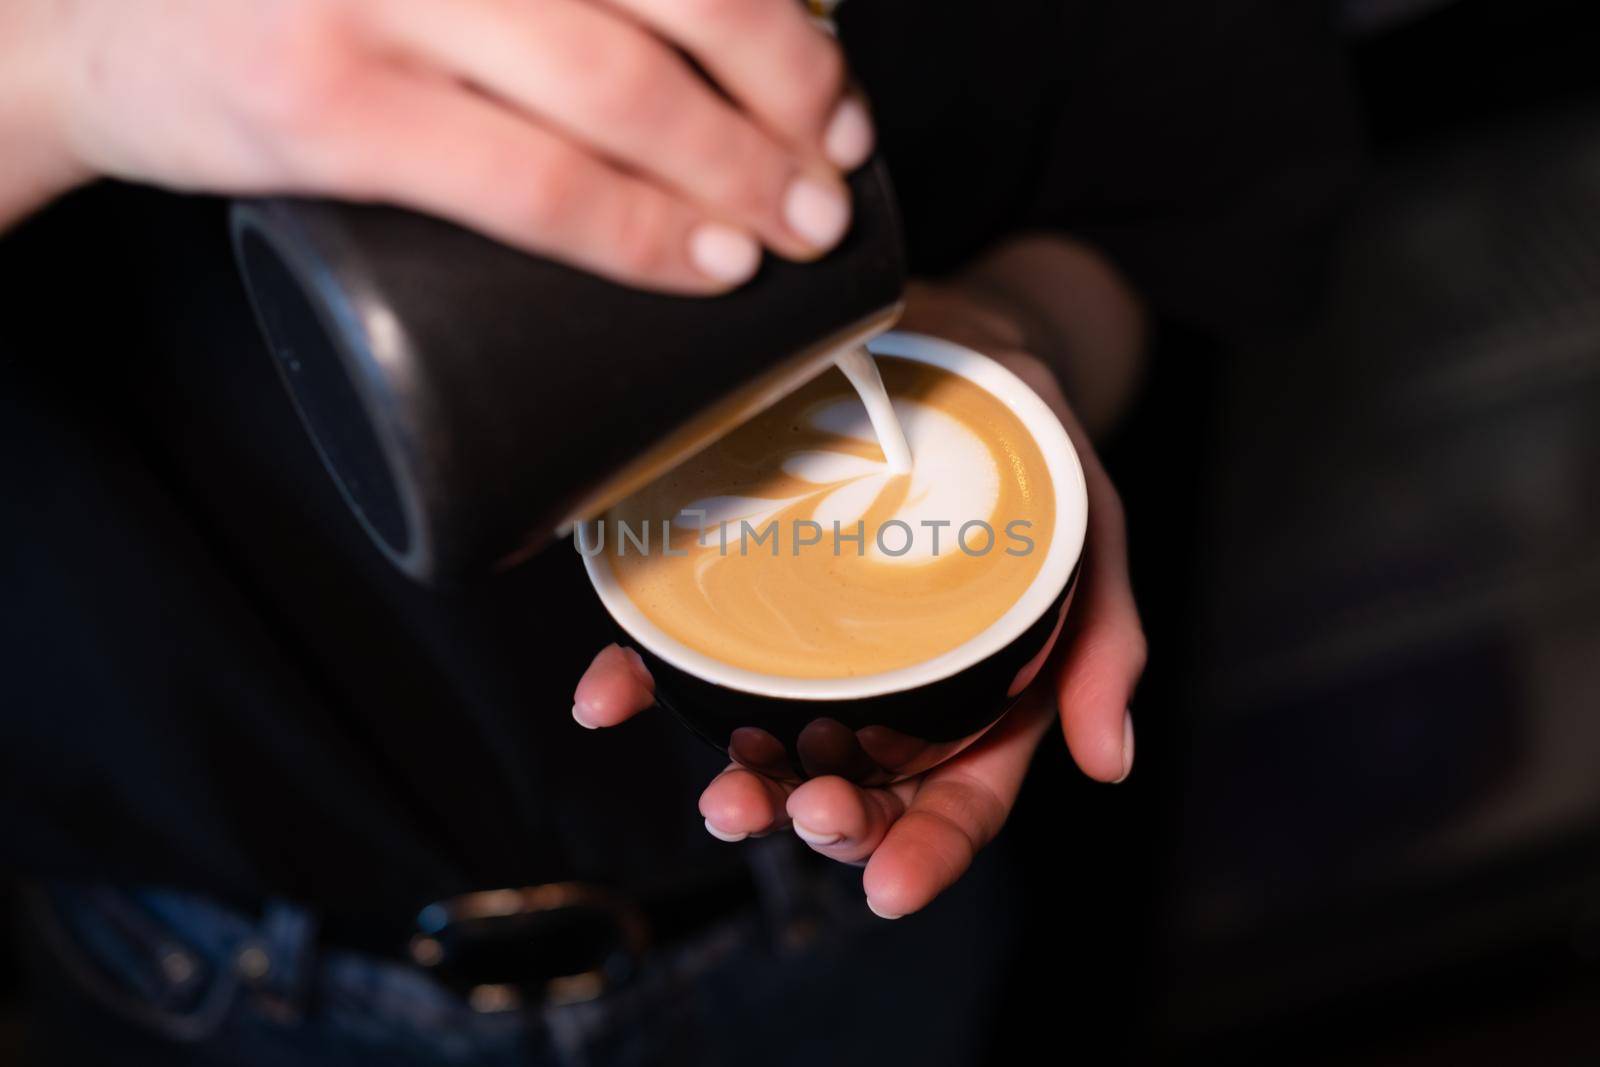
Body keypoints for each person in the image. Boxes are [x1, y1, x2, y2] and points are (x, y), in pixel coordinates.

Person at [0, 0, 1355, 1062]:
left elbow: (1173, 194)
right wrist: (71, 62)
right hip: (198, 969)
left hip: (840, 910)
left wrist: (1009, 340)